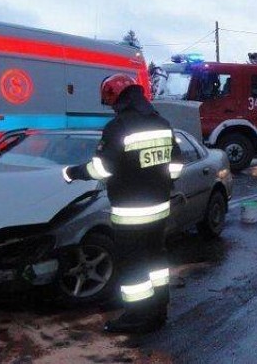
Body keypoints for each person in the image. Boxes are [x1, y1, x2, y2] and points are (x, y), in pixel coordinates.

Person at [63, 74, 182, 333]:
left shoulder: (118, 127)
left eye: (112, 103)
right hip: (160, 207)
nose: (112, 108)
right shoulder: (161, 123)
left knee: (133, 267)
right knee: (155, 260)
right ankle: (159, 310)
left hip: (131, 213)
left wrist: (72, 173)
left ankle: (138, 318)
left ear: (117, 99)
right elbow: (175, 163)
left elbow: (102, 169)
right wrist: (159, 182)